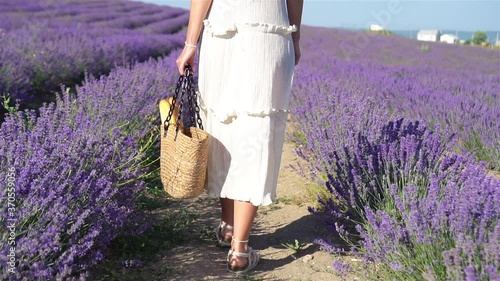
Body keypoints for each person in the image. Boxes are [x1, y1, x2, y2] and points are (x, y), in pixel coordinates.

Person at [176, 0, 303, 274]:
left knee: (223, 125)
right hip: (270, 31)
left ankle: (228, 226)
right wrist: (295, 37)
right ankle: (240, 248)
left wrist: (190, 44)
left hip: (223, 30)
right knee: (257, 130)